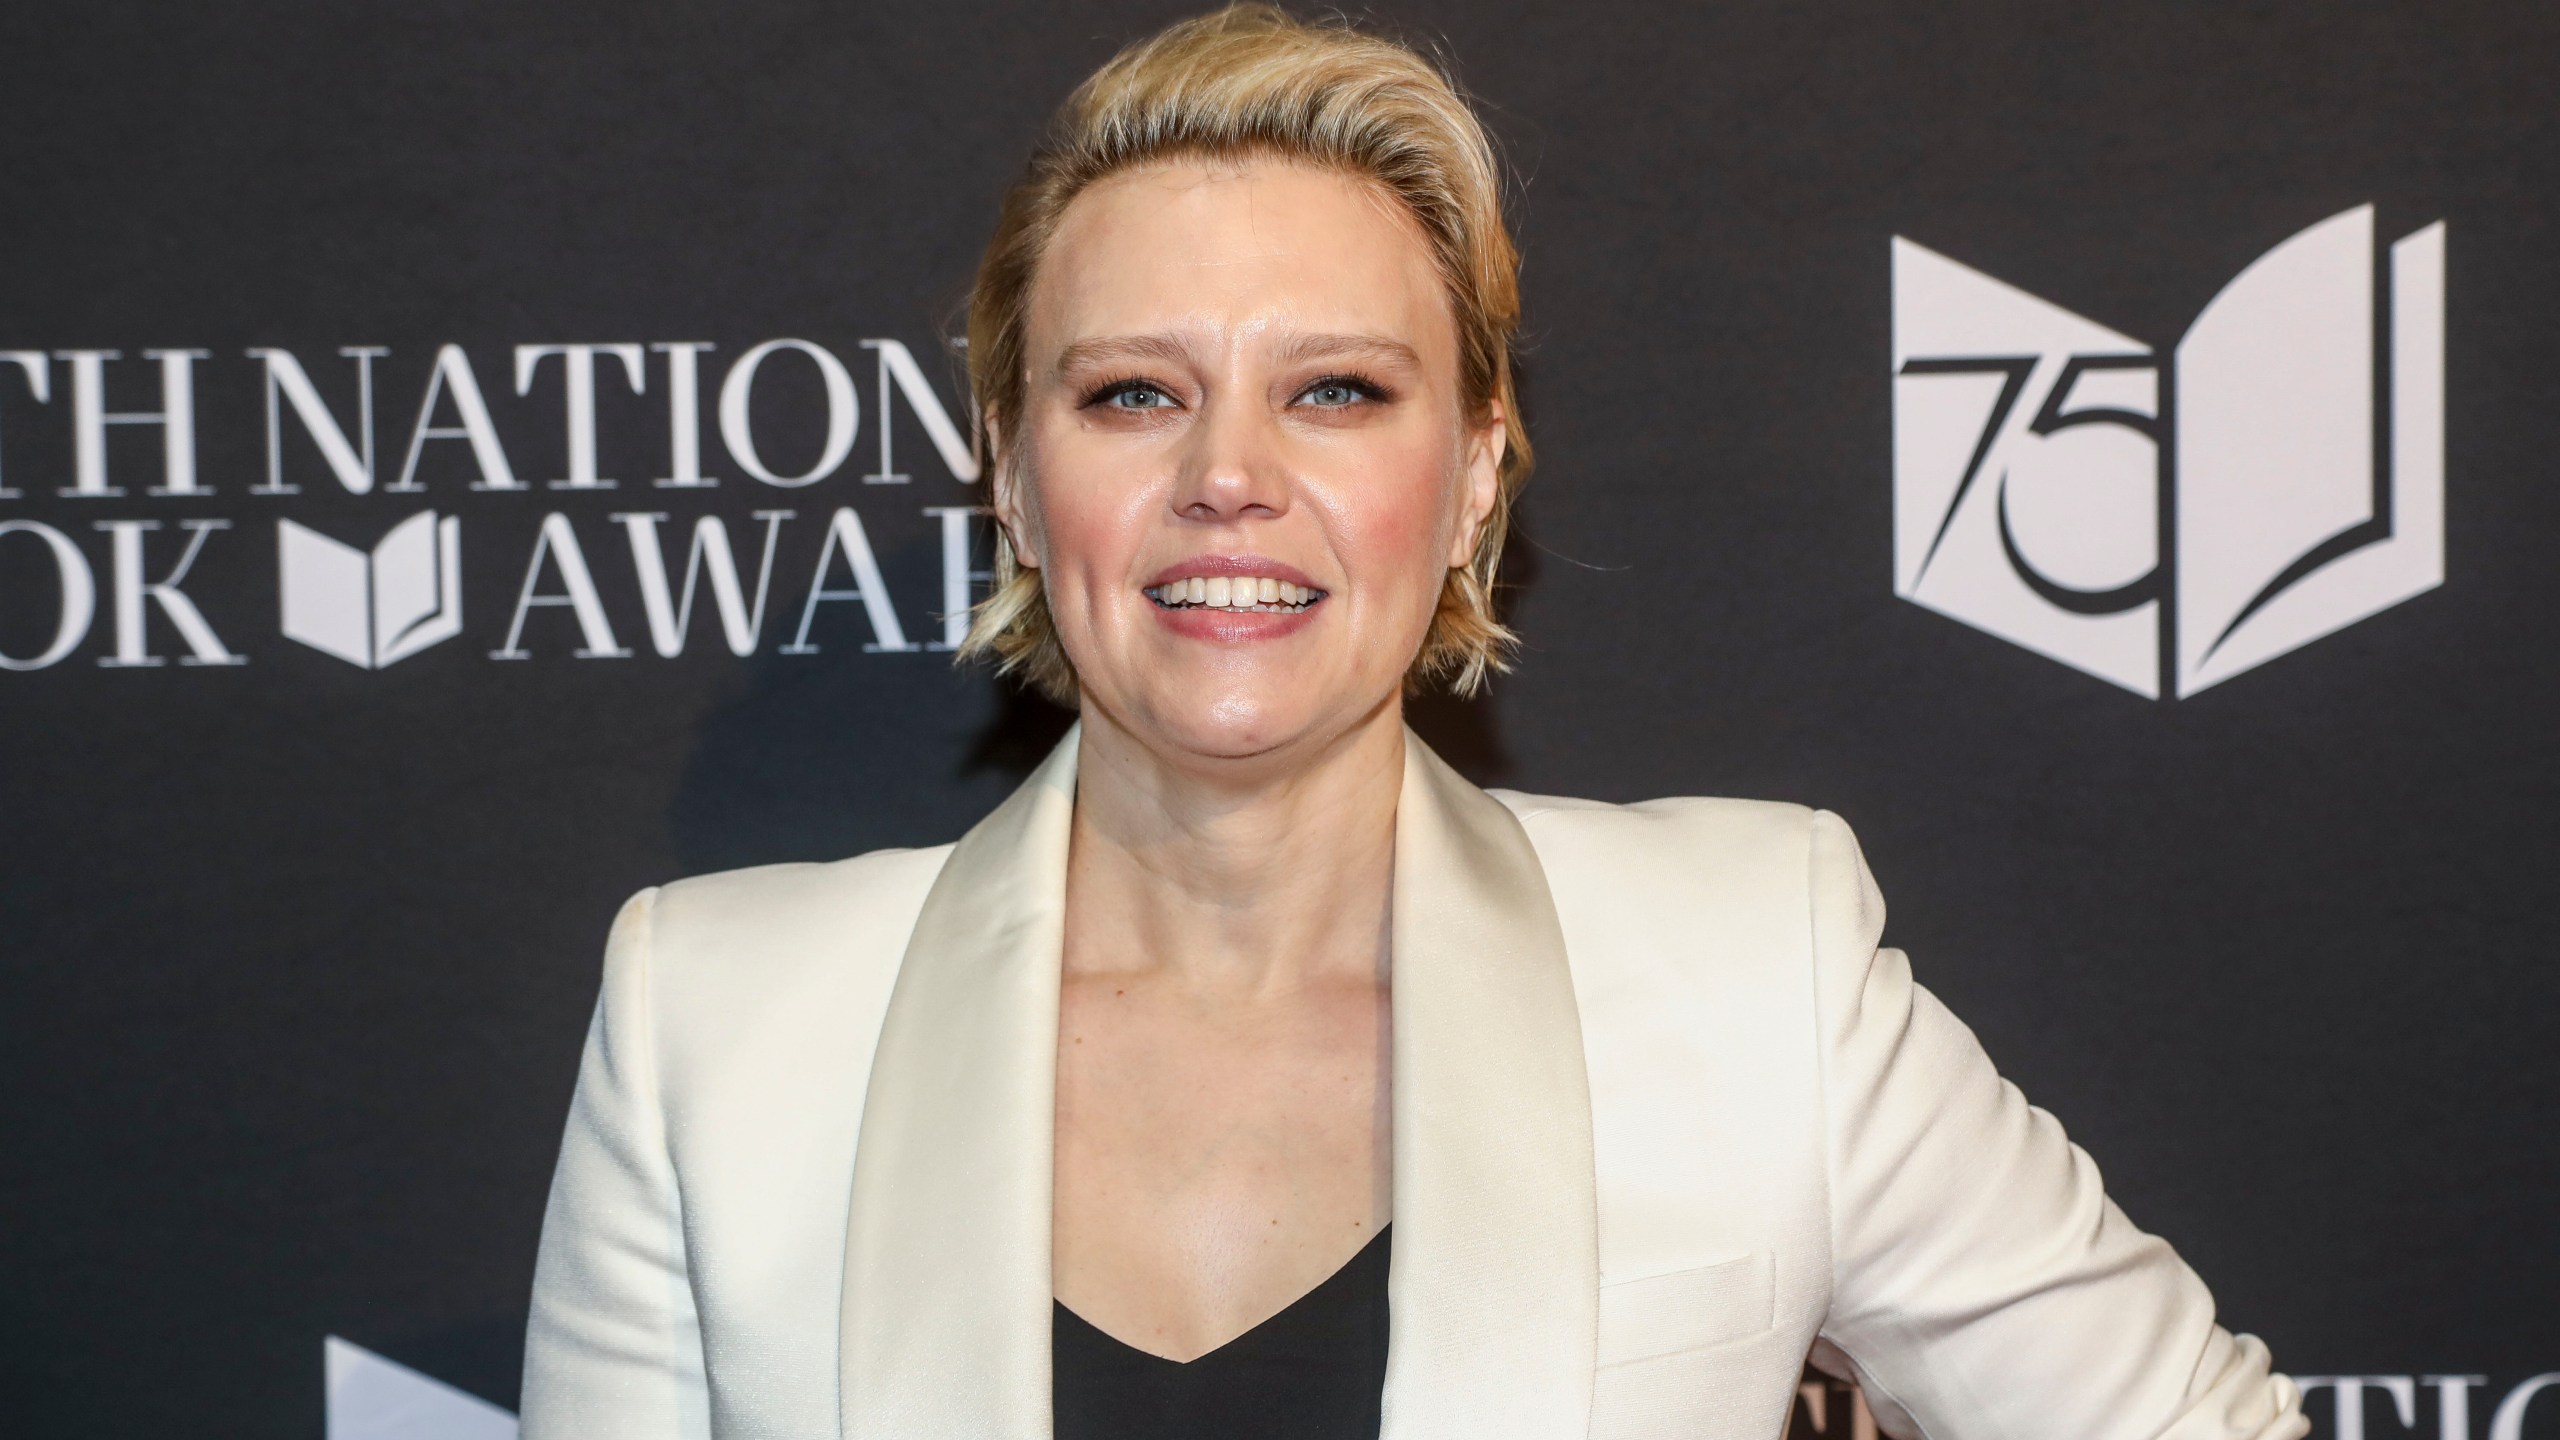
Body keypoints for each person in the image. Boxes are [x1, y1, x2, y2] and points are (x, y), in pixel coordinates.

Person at [519, 7, 2310, 1439]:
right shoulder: (720, 1030)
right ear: (1010, 471)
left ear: (1469, 483)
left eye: (1337, 393)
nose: (1229, 476)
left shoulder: (1754, 967)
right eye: (1135, 391)